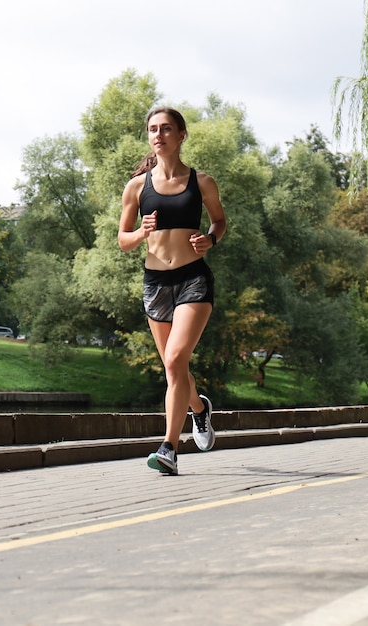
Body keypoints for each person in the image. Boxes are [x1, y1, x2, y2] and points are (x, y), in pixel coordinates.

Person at [118, 106, 226, 475]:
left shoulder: (202, 182)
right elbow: (123, 240)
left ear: (181, 136)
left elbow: (220, 221)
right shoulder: (137, 186)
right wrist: (141, 233)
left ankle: (168, 448)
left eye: (166, 128)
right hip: (155, 284)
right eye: (152, 129)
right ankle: (199, 409)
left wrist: (210, 239)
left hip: (193, 279)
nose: (158, 134)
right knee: (173, 367)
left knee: (176, 359)